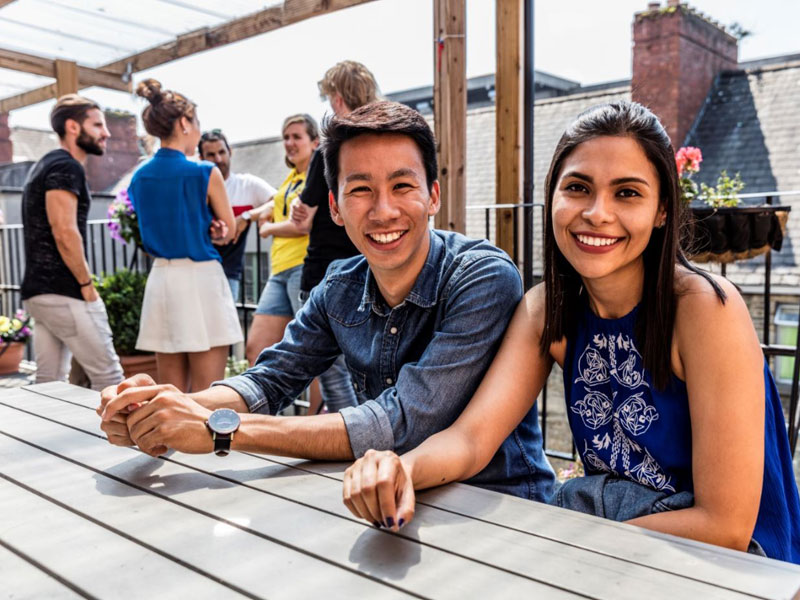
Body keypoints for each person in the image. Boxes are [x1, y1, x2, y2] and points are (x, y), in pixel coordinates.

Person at [341, 101, 800, 563]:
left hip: (730, 563)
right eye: (578, 187)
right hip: (615, 541)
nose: (597, 213)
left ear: (663, 210)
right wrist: (400, 467)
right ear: (553, 198)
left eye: (627, 193)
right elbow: (472, 439)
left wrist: (564, 544)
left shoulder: (704, 308)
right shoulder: (547, 310)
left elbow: (725, 527)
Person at [99, 101, 555, 503]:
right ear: (335, 208)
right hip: (382, 496)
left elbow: (404, 422)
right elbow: (269, 380)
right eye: (360, 190)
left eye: (402, 186)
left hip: (500, 503)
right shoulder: (340, 286)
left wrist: (218, 430)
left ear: (433, 195)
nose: (383, 210)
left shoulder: (481, 276)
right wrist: (163, 409)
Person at [127, 79, 241, 392]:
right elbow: (228, 230)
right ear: (183, 122)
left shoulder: (138, 178)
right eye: (197, 122)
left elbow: (159, 229)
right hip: (201, 279)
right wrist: (216, 232)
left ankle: (170, 444)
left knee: (170, 395)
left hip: (163, 281)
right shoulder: (205, 172)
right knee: (207, 396)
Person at [287, 60, 380, 414]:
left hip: (327, 270)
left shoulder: (330, 150)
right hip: (375, 271)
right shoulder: (385, 143)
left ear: (338, 100)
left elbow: (305, 212)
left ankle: (353, 449)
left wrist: (298, 207)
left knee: (332, 371)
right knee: (373, 369)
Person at [20, 94, 124, 391]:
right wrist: (86, 286)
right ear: (73, 127)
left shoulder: (46, 164)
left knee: (48, 384)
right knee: (110, 378)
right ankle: (116, 440)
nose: (106, 132)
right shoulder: (66, 167)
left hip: (41, 293)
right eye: (98, 125)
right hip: (64, 291)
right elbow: (64, 231)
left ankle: (40, 439)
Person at [244, 114, 319, 366]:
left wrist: (267, 229)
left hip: (302, 267)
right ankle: (259, 405)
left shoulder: (315, 178)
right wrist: (251, 214)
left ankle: (317, 408)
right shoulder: (292, 177)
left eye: (297, 137)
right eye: (286, 137)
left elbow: (301, 225)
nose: (289, 143)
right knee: (256, 349)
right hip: (279, 270)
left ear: (315, 143)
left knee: (312, 351)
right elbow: (277, 203)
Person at [197, 129, 277, 301]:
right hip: (195, 272)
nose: (218, 159)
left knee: (225, 326)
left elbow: (280, 200)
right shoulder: (195, 188)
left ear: (230, 152)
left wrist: (246, 216)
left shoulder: (246, 185)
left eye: (221, 152)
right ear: (201, 159)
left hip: (228, 274)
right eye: (211, 155)